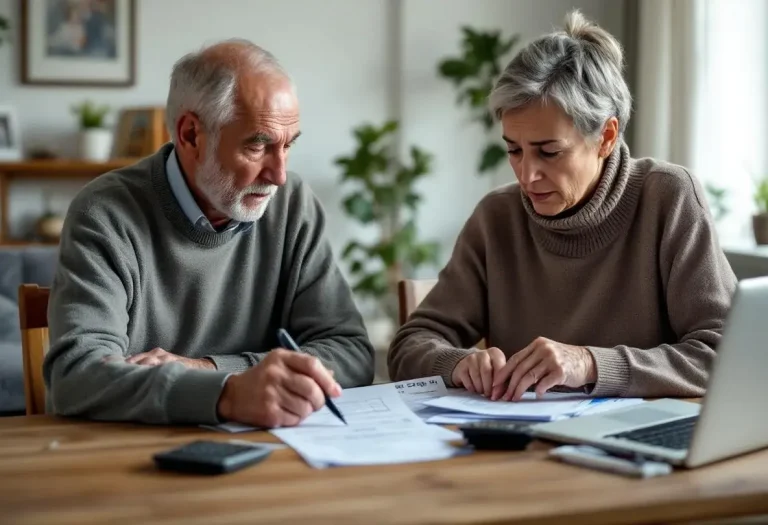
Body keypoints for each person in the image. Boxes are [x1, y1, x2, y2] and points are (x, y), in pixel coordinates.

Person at [388, 11, 737, 401]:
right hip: (527, 449)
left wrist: (589, 364)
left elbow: (726, 354)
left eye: (549, 152)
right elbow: (410, 345)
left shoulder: (668, 198)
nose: (526, 175)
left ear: (606, 136)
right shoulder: (496, 218)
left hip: (640, 446)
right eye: (513, 150)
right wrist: (456, 363)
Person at [44, 39, 375, 428]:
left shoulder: (293, 205)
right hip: (131, 459)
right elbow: (76, 376)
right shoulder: (104, 213)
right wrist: (229, 393)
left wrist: (211, 370)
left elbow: (352, 353)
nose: (279, 175)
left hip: (273, 455)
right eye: (258, 146)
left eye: (288, 146)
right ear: (190, 136)